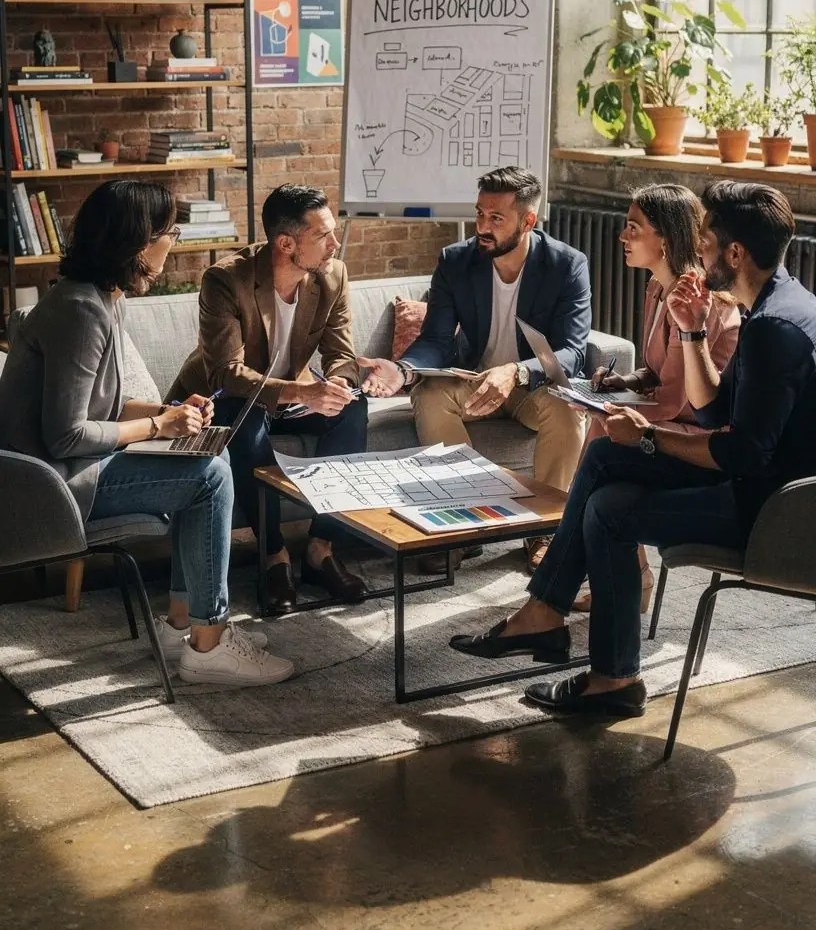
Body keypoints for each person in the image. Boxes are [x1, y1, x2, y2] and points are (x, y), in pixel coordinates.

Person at [451, 181, 816, 720]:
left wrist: (646, 436)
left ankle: (607, 673)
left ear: (735, 253)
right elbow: (716, 412)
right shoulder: (778, 304)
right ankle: (550, 618)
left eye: (708, 240)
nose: (700, 250)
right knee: (602, 460)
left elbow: (741, 454)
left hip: (772, 514)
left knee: (609, 510)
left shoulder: (773, 329)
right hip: (759, 487)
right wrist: (691, 334)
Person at [0, 181, 293, 689]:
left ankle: (184, 623)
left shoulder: (98, 299)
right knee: (208, 477)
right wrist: (160, 427)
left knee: (206, 463)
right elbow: (67, 435)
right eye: (169, 231)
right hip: (50, 488)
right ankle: (208, 644)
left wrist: (167, 410)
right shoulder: (80, 311)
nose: (173, 242)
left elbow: (101, 406)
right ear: (137, 242)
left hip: (66, 472)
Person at [359, 166, 591, 571]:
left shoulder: (566, 265)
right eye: (480, 213)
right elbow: (435, 339)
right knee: (429, 395)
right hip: (474, 382)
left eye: (496, 218)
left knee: (568, 411)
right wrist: (403, 370)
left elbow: (572, 352)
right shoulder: (456, 260)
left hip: (530, 386)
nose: (483, 226)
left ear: (528, 221)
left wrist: (517, 372)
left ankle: (546, 529)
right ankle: (463, 526)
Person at [169, 183, 368, 615]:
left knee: (352, 408)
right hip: (227, 398)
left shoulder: (333, 275)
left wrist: (335, 385)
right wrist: (302, 391)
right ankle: (274, 556)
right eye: (323, 236)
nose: (335, 244)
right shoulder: (226, 280)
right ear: (285, 243)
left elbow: (342, 354)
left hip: (289, 395)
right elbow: (227, 373)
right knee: (243, 418)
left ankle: (321, 548)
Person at [574, 184, 740, 614]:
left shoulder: (695, 298)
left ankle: (611, 571)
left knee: (604, 432)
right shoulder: (656, 287)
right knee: (604, 427)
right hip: (674, 413)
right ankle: (626, 573)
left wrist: (605, 410)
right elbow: (655, 371)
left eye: (633, 228)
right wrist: (617, 383)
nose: (622, 237)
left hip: (703, 430)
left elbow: (675, 401)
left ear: (664, 238)